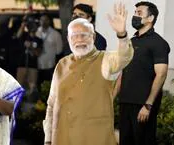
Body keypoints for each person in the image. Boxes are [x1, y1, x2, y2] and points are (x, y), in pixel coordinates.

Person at [43, 3, 134, 145]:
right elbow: (51, 103)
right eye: (75, 36)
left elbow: (124, 57)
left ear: (93, 37)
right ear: (68, 39)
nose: (79, 40)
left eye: (84, 35)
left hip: (94, 137)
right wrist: (48, 138)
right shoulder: (62, 64)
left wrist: (122, 35)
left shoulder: (104, 59)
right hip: (61, 136)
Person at [117, 1, 170, 145]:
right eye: (134, 13)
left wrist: (148, 105)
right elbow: (123, 71)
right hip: (125, 102)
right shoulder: (131, 41)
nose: (135, 16)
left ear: (150, 18)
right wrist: (113, 96)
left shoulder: (159, 43)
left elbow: (161, 75)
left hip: (143, 105)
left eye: (139, 13)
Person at [16, 16, 43, 99]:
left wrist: (31, 47)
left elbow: (38, 53)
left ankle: (30, 108)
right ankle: (19, 106)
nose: (33, 27)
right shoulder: (24, 36)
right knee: (19, 86)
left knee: (32, 87)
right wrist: (23, 24)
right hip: (22, 65)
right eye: (31, 25)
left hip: (33, 66)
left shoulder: (39, 40)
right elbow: (18, 35)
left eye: (35, 25)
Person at [36, 14, 63, 86]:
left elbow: (59, 51)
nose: (44, 22)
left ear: (49, 21)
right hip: (37, 65)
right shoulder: (36, 33)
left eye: (46, 20)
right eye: (42, 20)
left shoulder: (56, 34)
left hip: (50, 65)